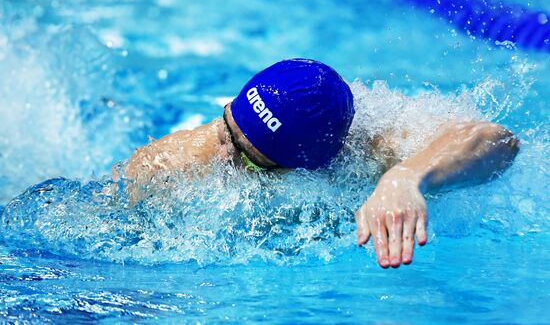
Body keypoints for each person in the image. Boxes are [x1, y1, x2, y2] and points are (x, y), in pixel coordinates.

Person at [119, 58, 519, 268]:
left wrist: (405, 178)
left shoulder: (374, 149)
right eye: (228, 130)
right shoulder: (185, 158)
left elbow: (499, 140)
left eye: (253, 162)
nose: (224, 157)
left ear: (310, 166)